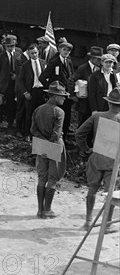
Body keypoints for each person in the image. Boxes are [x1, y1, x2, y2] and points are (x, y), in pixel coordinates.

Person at [75, 87, 120, 232]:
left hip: (96, 156)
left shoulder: (97, 116)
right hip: (113, 160)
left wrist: (87, 149)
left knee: (92, 189)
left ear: (108, 103)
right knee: (110, 192)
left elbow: (79, 133)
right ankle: (107, 224)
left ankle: (88, 222)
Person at [31, 81, 69, 219]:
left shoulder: (38, 109)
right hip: (54, 145)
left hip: (40, 144)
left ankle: (40, 210)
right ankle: (47, 210)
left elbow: (33, 129)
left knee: (42, 177)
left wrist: (43, 140)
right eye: (62, 96)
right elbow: (57, 132)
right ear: (54, 96)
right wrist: (50, 143)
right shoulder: (59, 112)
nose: (64, 98)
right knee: (52, 178)